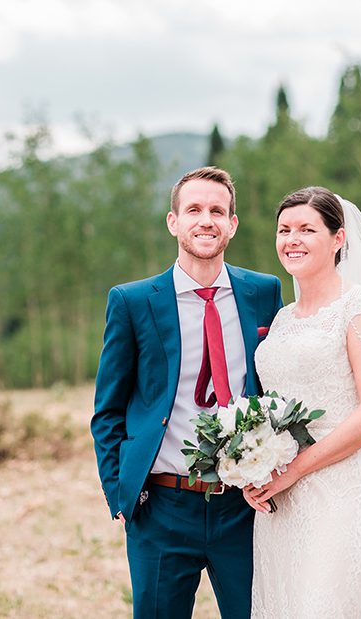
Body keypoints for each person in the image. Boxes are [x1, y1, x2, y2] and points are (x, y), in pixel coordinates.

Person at [92, 166, 283, 618]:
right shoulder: (133, 301)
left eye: (218, 211)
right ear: (173, 222)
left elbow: (276, 384)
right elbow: (107, 410)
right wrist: (119, 492)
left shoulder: (263, 292)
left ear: (232, 225)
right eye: (193, 209)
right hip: (161, 505)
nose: (206, 220)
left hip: (244, 506)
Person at [243, 187, 361, 616]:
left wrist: (296, 469)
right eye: (284, 230)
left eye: (306, 229)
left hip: (338, 491)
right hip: (281, 503)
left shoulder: (358, 307)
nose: (292, 239)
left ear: (338, 239)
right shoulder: (282, 318)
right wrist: (252, 465)